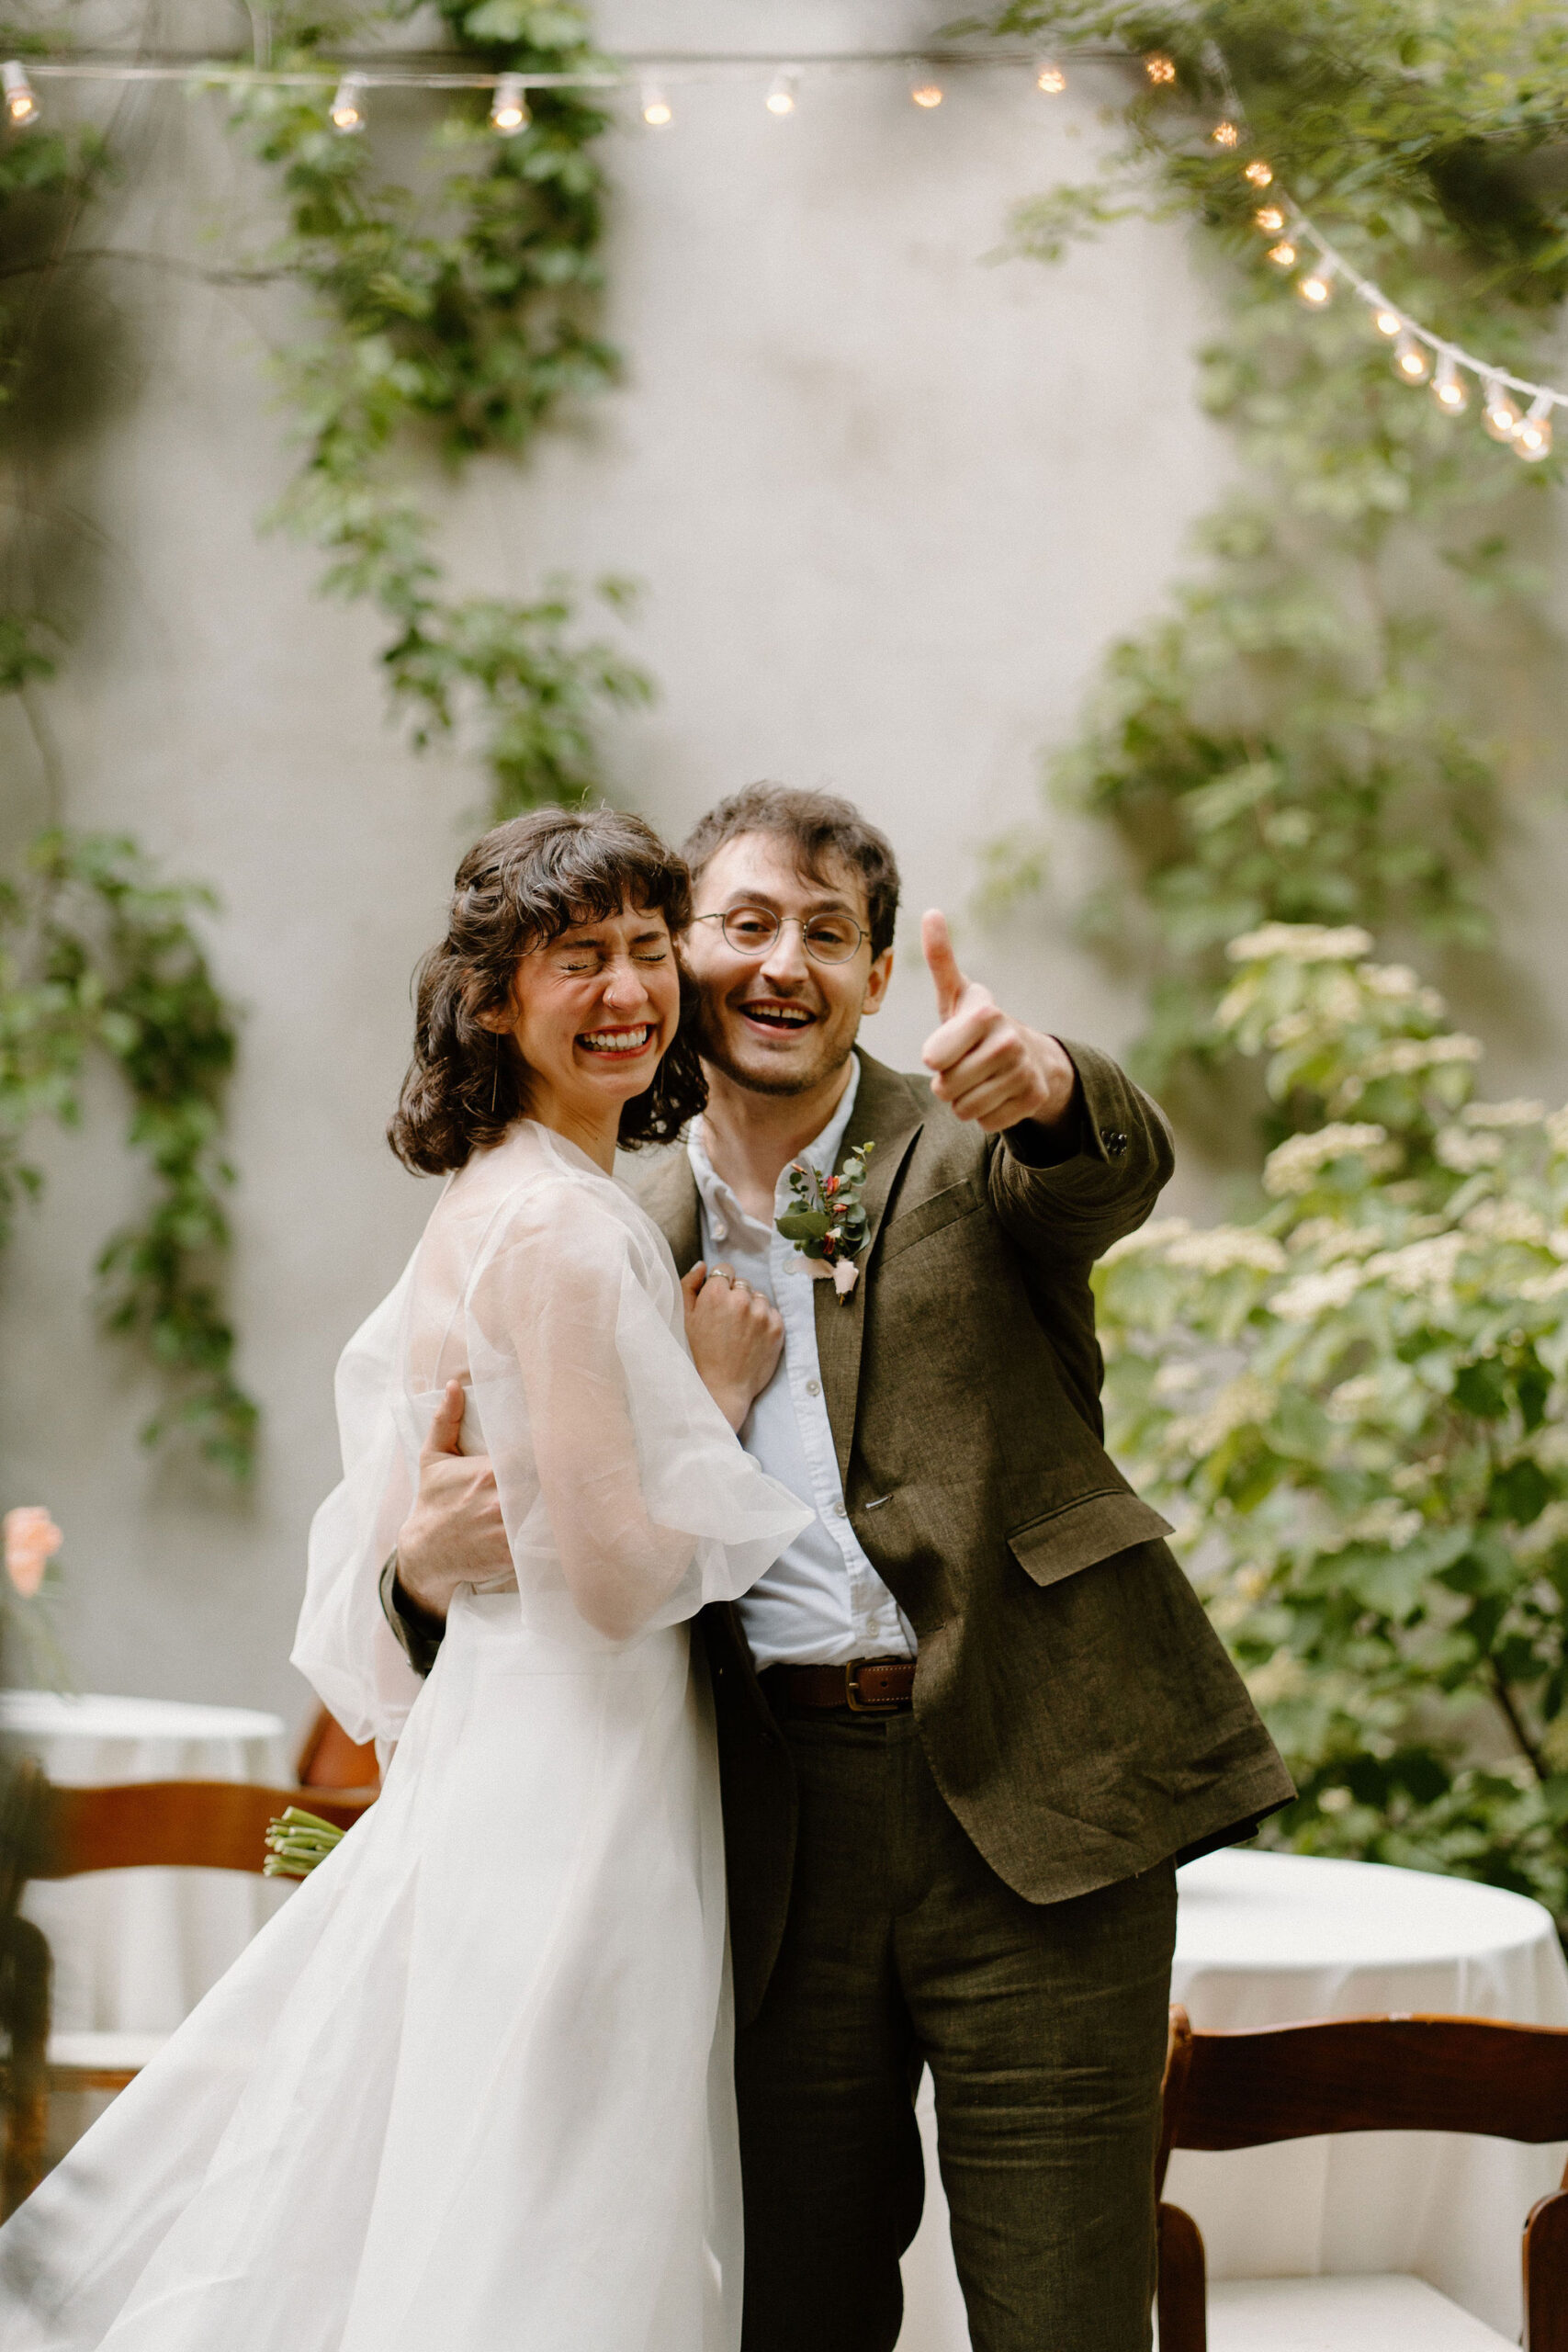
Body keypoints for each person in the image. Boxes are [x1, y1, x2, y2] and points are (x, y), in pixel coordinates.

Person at [385, 784, 1295, 2352]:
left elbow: (1096, 1176)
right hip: (767, 1835)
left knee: (1065, 2315)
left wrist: (1060, 1085)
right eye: (743, 925)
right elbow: (502, 1512)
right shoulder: (609, 1218)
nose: (782, 962)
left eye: (829, 933)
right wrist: (421, 1567)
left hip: (1039, 1808)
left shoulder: (972, 1149)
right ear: (685, 954)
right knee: (796, 2309)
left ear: (880, 976)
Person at [0, 808, 813, 2352]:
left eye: (650, 950)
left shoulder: (501, 1194)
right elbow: (627, 1577)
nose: (630, 989)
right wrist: (712, 1403)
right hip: (584, 1774)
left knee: (486, 2147)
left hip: (526, 1742)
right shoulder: (563, 1234)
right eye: (581, 958)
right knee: (567, 2181)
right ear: (495, 998)